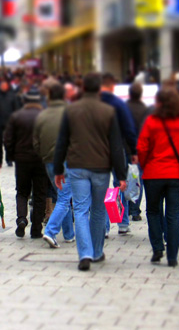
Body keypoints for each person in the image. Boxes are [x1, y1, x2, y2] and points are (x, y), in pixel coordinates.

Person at [53, 73, 127, 271]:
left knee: (80, 209)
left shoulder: (71, 110)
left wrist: (58, 168)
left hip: (77, 166)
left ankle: (84, 254)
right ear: (100, 88)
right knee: (98, 210)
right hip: (101, 167)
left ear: (83, 88)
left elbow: (62, 142)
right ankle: (96, 252)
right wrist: (121, 174)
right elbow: (116, 145)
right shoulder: (109, 111)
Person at [137, 89, 179, 267]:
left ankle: (157, 249)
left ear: (158, 103)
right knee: (173, 214)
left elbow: (142, 147)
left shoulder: (151, 121)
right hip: (175, 174)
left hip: (153, 173)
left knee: (153, 211)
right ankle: (172, 256)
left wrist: (146, 164)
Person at [34, 80, 75, 248]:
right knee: (65, 197)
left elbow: (36, 142)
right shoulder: (70, 112)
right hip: (66, 159)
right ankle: (51, 231)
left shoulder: (42, 115)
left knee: (61, 196)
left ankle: (69, 234)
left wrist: (44, 154)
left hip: (48, 161)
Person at [4, 87, 48, 238]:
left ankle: (22, 219)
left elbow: (8, 139)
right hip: (41, 159)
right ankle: (36, 228)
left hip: (22, 159)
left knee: (22, 192)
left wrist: (11, 156)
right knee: (40, 194)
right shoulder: (44, 115)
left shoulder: (17, 116)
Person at [100, 73, 138, 235]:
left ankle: (104, 227)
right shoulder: (118, 104)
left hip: (98, 151)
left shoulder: (95, 103)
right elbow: (129, 129)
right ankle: (122, 223)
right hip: (118, 149)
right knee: (120, 184)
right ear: (112, 86)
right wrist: (133, 150)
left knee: (101, 189)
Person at [126, 83, 150, 221]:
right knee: (137, 179)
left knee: (124, 179)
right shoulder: (145, 109)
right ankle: (135, 210)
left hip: (125, 149)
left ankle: (124, 209)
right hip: (139, 149)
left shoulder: (124, 108)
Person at [0, 80, 20, 166]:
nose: (4, 87)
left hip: (9, 122)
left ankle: (9, 158)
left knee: (9, 141)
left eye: (5, 85)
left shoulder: (12, 96)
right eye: (2, 85)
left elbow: (16, 108)